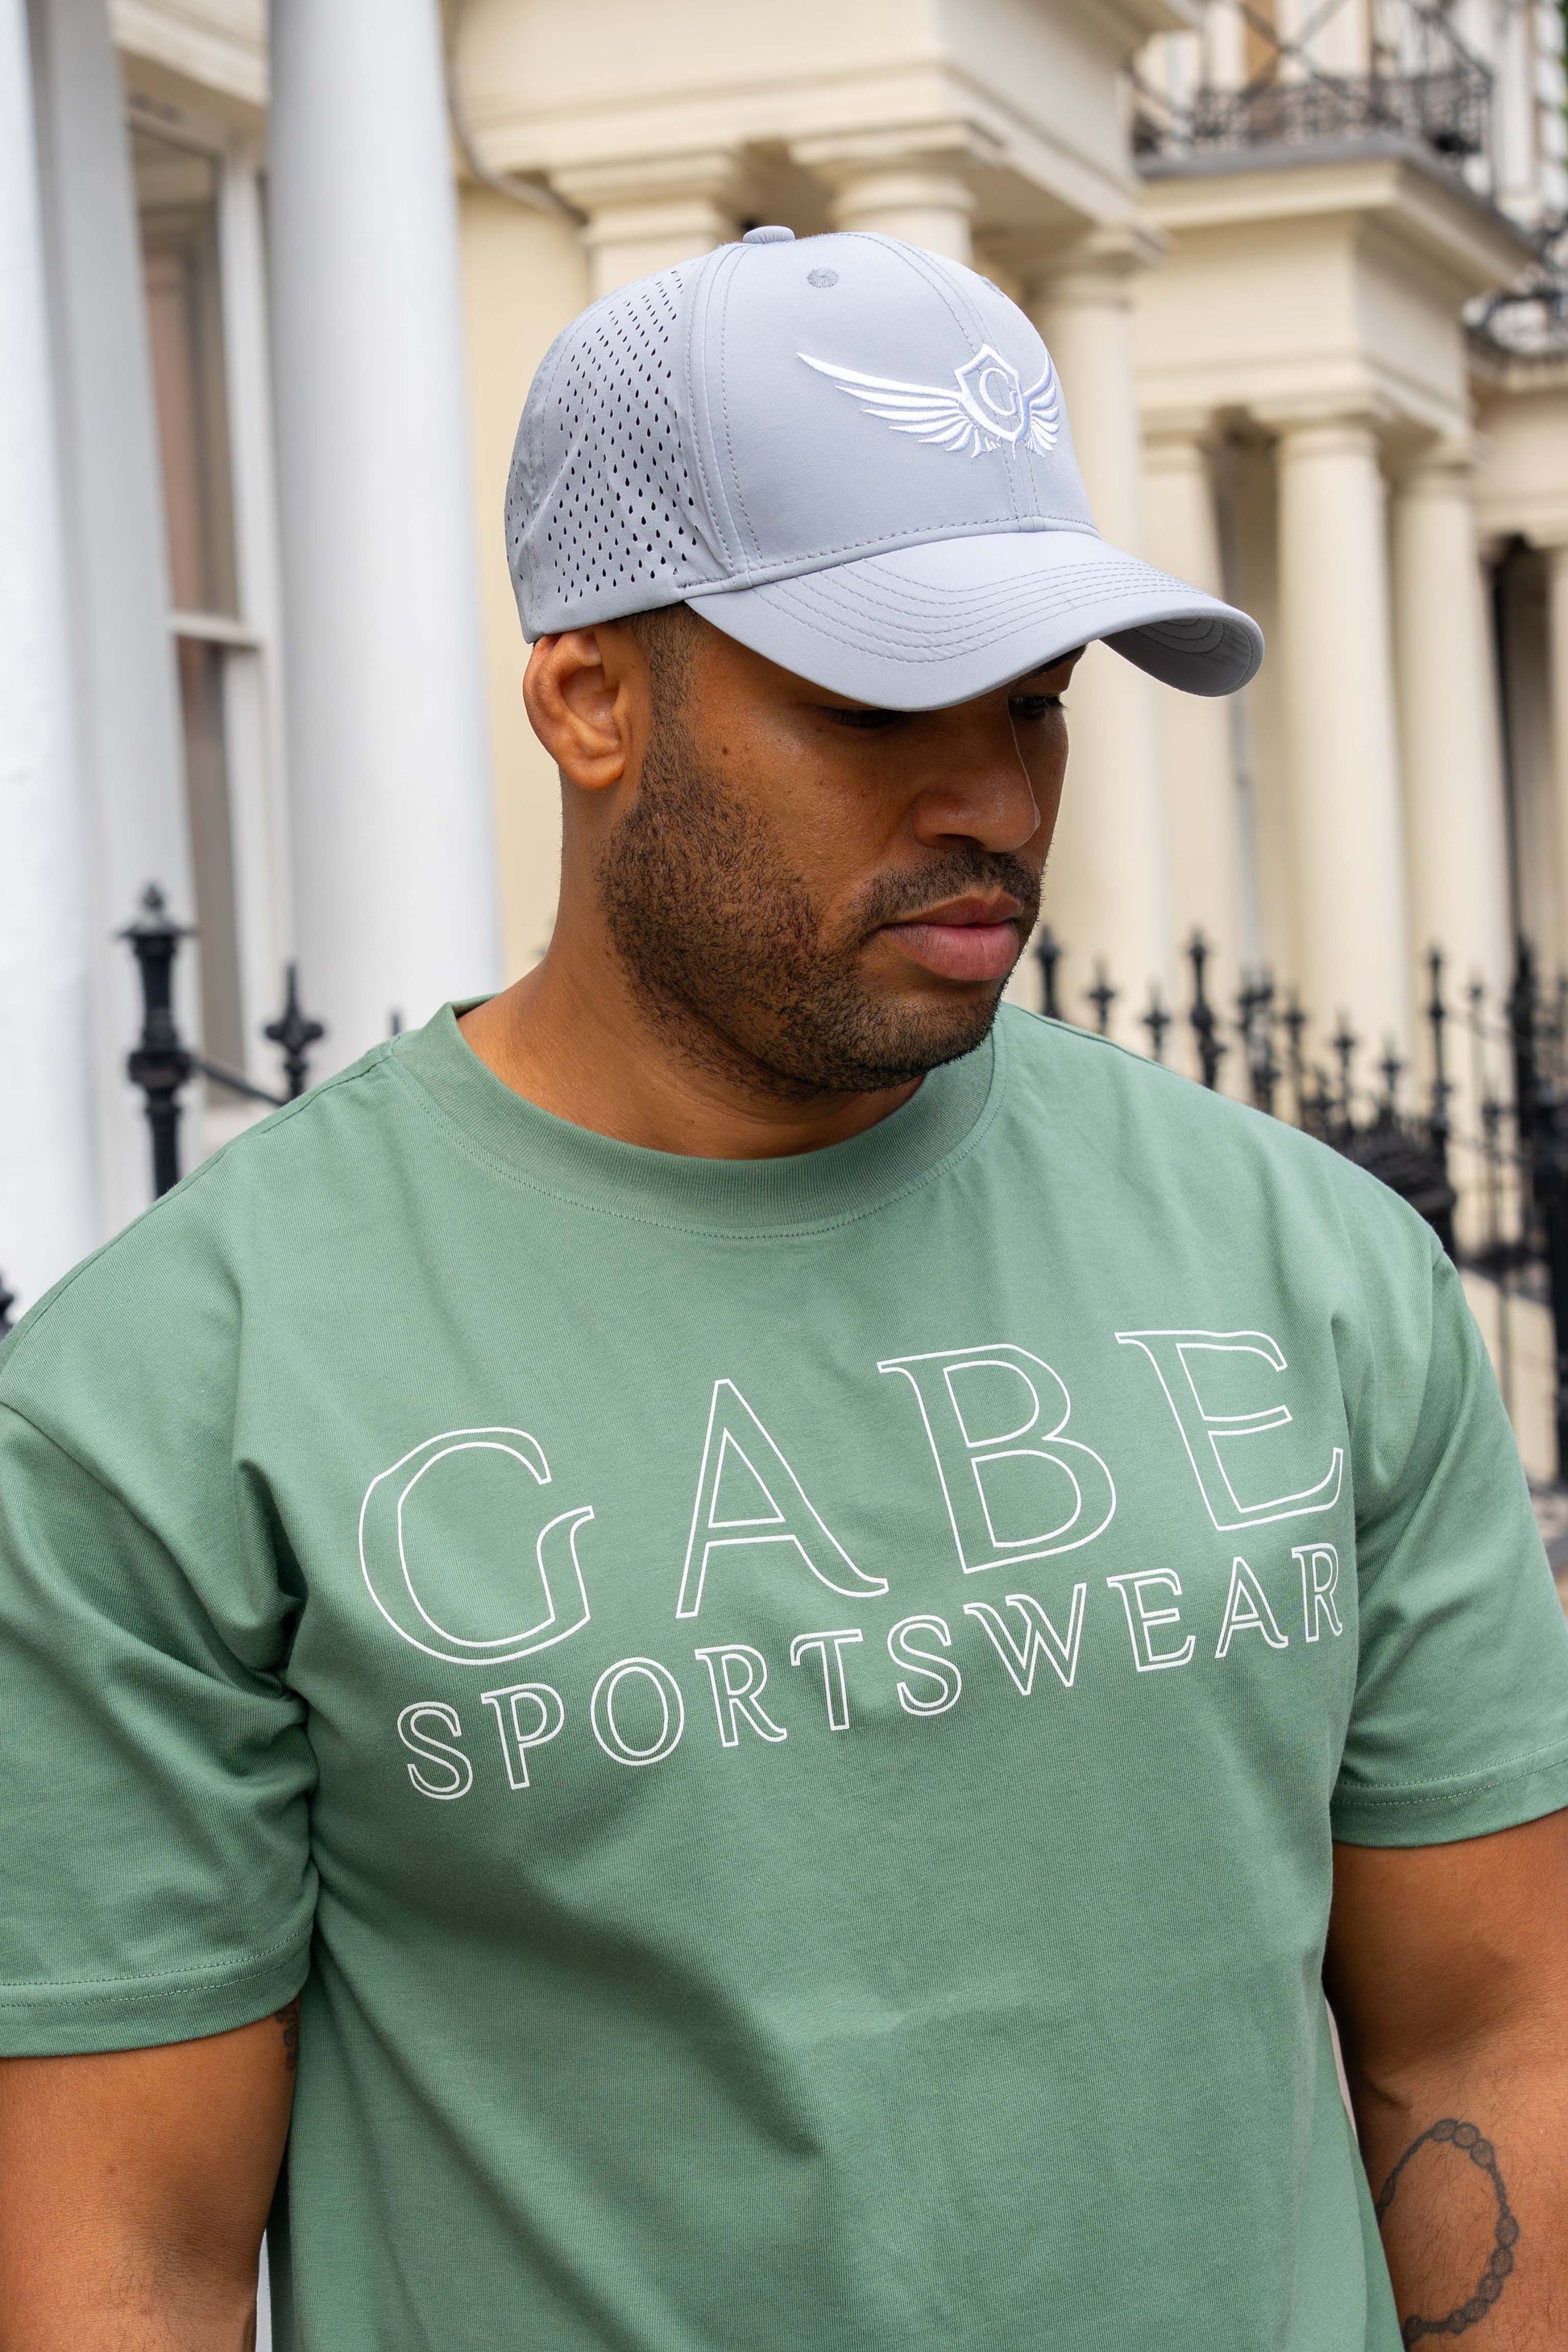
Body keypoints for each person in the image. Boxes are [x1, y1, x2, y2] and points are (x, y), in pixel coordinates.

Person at [1, 226, 1566, 2352]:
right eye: (877, 707)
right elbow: (126, 2260)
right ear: (588, 700)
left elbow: (1487, 2050)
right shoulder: (175, 1398)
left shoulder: (1313, 1272)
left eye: (1033, 705)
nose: (991, 799)